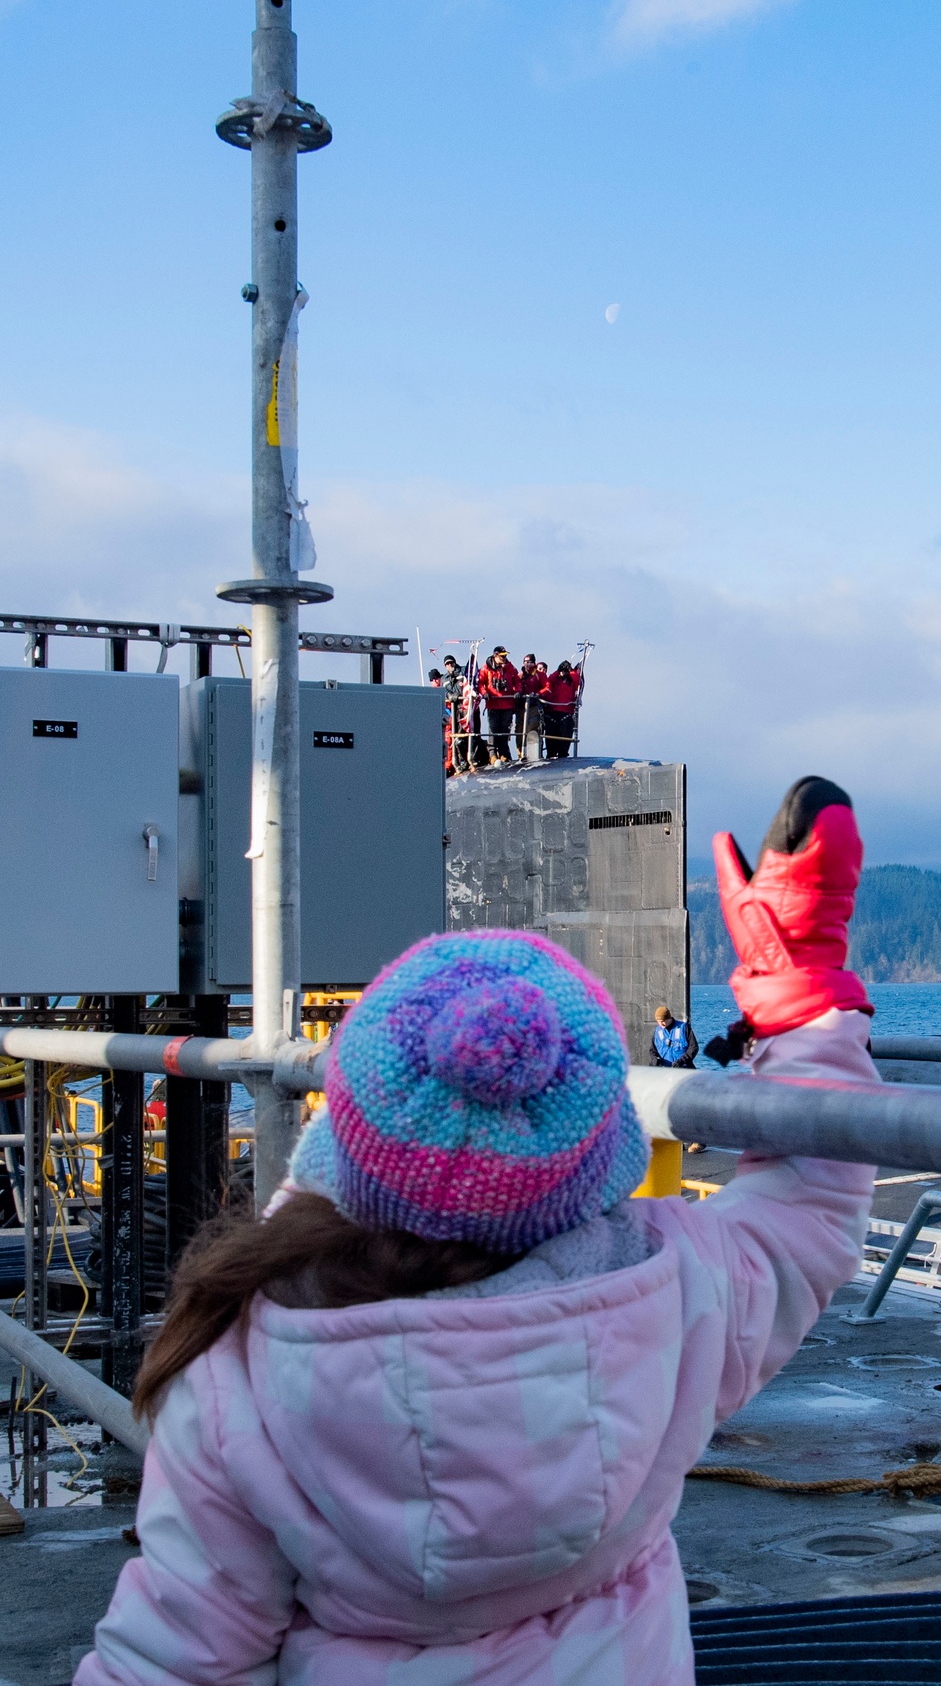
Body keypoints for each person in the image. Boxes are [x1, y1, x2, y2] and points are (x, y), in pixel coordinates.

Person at [77, 788, 877, 1686]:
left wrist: (352, 1154)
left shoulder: (243, 1364)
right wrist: (801, 989)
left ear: (346, 1136)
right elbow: (808, 1205)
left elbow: (174, 1657)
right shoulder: (675, 1293)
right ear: (599, 1153)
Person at [477, 644, 520, 765]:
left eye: (505, 655)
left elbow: (517, 680)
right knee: (493, 730)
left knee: (504, 730)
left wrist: (517, 691)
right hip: (493, 705)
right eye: (502, 656)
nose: (504, 658)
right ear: (495, 656)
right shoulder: (486, 669)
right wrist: (484, 693)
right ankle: (492, 754)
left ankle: (504, 754)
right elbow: (480, 683)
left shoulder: (510, 668)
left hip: (507, 704)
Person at [540, 658, 581, 758]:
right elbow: (550, 680)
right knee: (551, 736)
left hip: (566, 711)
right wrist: (559, 671)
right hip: (552, 710)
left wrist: (571, 670)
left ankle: (563, 755)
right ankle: (551, 754)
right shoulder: (555, 678)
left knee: (565, 737)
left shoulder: (572, 678)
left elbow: (577, 680)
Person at [441, 654, 470, 772]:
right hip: (455, 710)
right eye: (447, 664)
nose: (450, 665)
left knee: (470, 735)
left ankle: (471, 758)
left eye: (451, 663)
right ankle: (461, 760)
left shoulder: (463, 672)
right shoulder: (444, 678)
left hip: (467, 708)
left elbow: (467, 685)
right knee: (457, 737)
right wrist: (450, 696)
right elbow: (445, 692)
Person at [515, 652, 545, 761]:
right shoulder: (520, 676)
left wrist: (538, 693)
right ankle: (521, 754)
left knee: (532, 729)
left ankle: (532, 754)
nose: (528, 664)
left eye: (530, 662)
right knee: (519, 731)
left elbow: (547, 687)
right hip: (521, 708)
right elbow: (516, 686)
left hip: (533, 707)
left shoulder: (539, 675)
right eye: (526, 662)